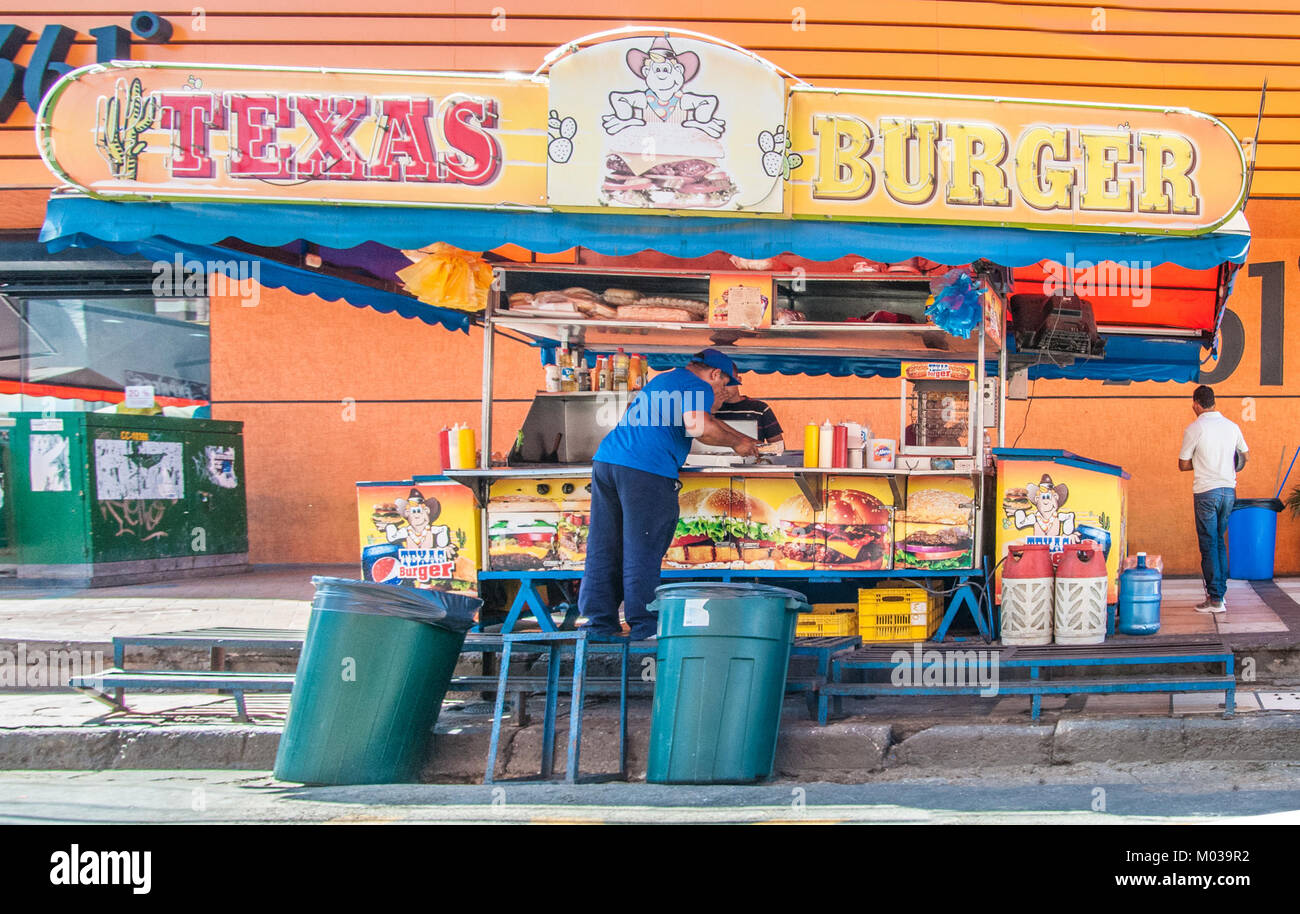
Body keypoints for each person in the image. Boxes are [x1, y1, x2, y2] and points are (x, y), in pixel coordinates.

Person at [579, 349, 760, 640]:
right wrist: (738, 444)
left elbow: (706, 422)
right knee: (643, 548)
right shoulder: (698, 385)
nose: (727, 393)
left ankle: (597, 625)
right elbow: (699, 427)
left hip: (607, 462)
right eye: (728, 384)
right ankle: (646, 627)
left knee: (604, 547)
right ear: (715, 374)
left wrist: (741, 439)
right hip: (645, 470)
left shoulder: (664, 381)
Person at [1178, 385, 1248, 613]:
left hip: (1207, 492)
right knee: (1219, 541)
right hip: (1229, 491)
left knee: (1208, 545)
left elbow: (1183, 464)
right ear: (1214, 402)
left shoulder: (1195, 428)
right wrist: (1226, 466)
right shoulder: (1232, 426)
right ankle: (1220, 594)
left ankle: (1215, 599)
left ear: (1196, 404)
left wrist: (1202, 463)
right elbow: (1244, 456)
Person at [715, 382, 784, 445]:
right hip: (716, 458)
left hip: (753, 458)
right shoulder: (708, 409)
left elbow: (777, 445)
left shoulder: (760, 408)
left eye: (727, 383)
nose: (723, 387)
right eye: (718, 383)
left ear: (738, 379)